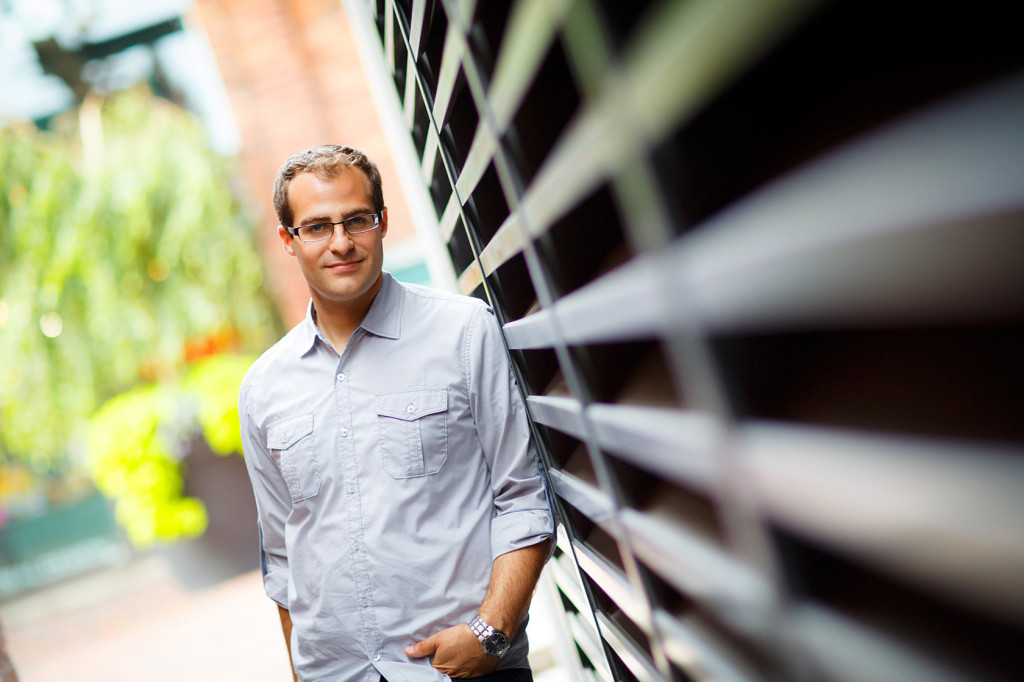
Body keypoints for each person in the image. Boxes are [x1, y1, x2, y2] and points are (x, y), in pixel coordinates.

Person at [238, 144, 554, 682]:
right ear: (288, 241)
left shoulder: (463, 330)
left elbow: (524, 495)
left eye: (356, 219)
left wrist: (490, 632)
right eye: (316, 227)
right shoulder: (263, 387)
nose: (341, 242)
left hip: (462, 669)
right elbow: (283, 558)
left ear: (382, 222)